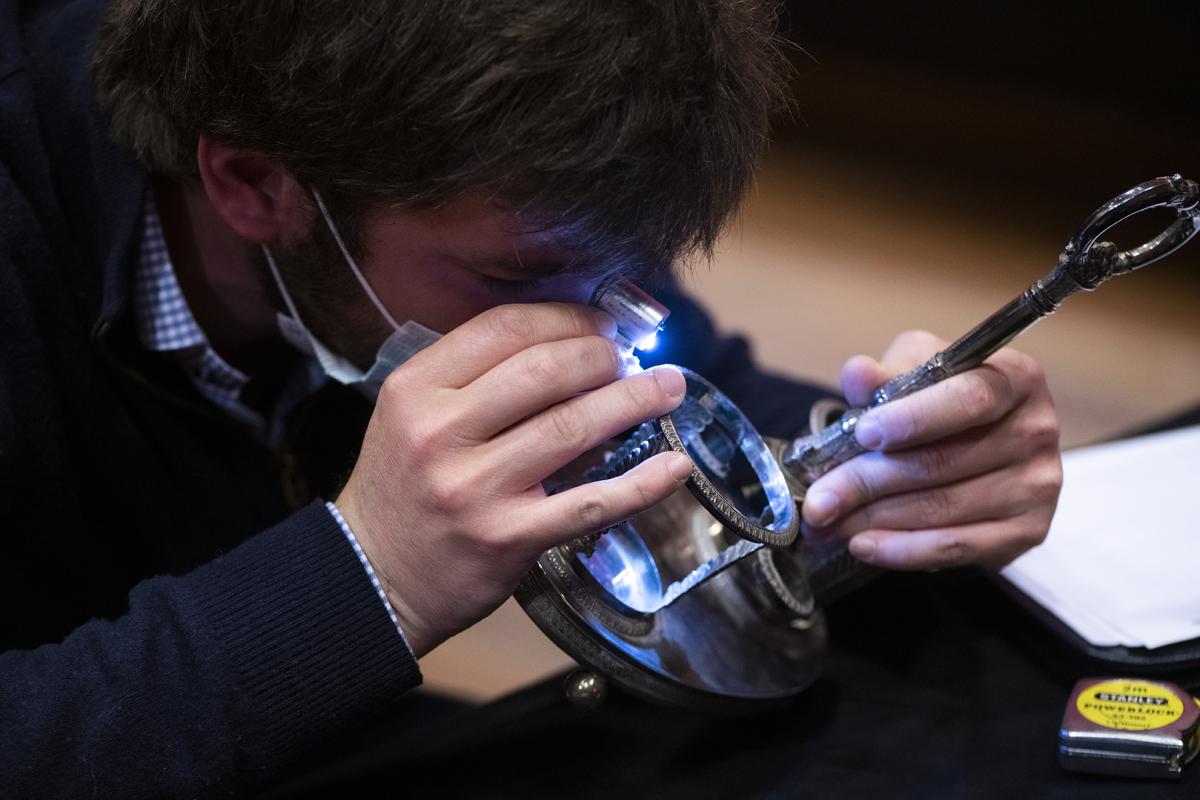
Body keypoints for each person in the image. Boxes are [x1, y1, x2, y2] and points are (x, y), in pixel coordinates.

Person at [0, 0, 1063, 795]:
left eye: (627, 266)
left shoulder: (506, 200)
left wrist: (888, 458)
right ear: (255, 185)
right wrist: (367, 579)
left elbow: (698, 386)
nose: (603, 327)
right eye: (516, 284)